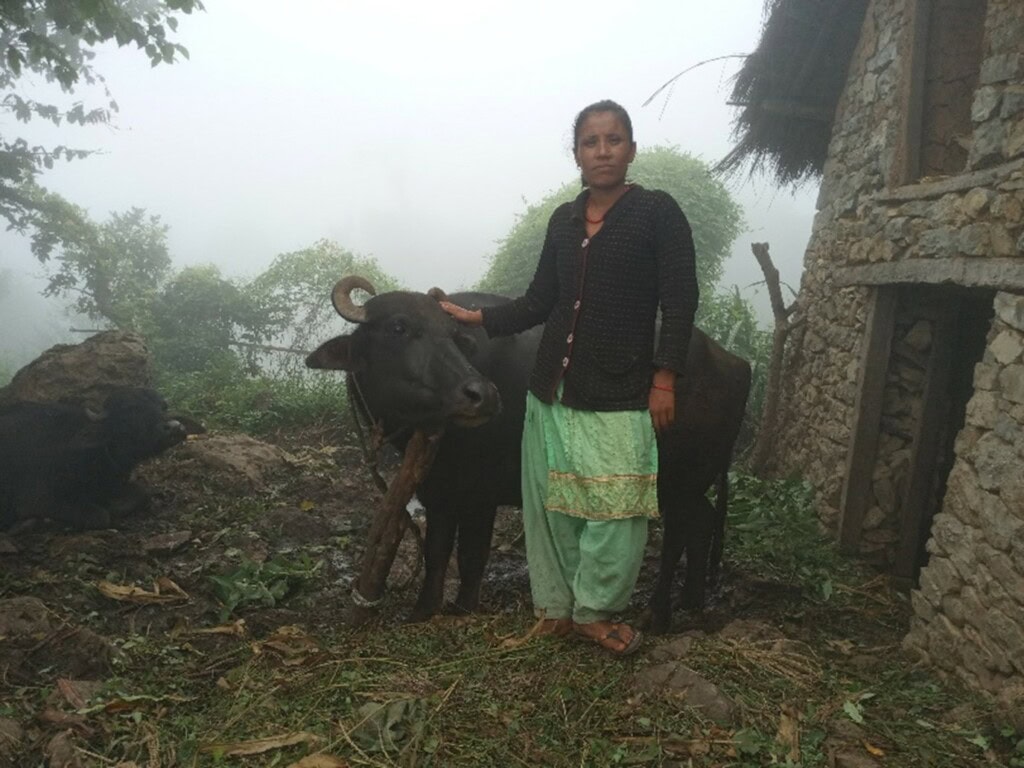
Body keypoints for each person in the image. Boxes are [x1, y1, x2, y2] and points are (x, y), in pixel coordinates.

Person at [440, 99, 698, 656]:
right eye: (590, 142)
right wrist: (476, 317)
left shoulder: (657, 212)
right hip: (550, 389)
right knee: (550, 505)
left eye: (613, 140)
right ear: (576, 153)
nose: (602, 151)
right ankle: (557, 611)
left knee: (618, 510)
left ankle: (596, 611)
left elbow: (680, 301)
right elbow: (539, 302)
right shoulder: (563, 220)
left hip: (621, 386)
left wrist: (664, 378)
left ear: (632, 148)